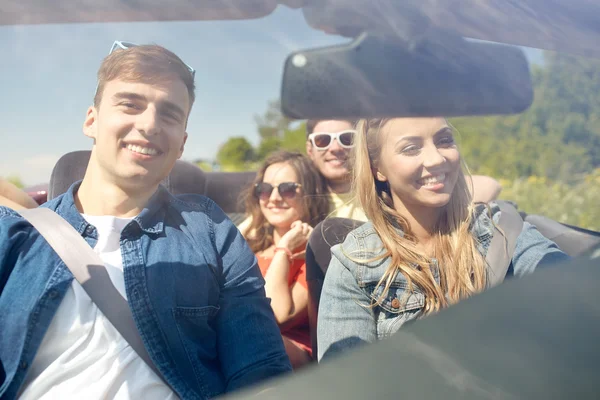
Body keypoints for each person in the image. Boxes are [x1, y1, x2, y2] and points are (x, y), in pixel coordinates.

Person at [0, 42, 291, 400]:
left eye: (169, 114)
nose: (150, 124)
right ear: (91, 119)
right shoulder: (16, 236)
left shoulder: (211, 231)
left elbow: (260, 373)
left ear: (181, 143)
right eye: (130, 104)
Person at [316, 117, 570, 361]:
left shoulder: (500, 229)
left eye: (444, 140)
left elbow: (565, 282)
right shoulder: (355, 264)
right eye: (411, 148)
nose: (436, 158)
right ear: (377, 168)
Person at [241, 151, 330, 369]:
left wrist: (283, 251)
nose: (273, 198)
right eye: (264, 189)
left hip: (287, 351)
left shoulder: (317, 251)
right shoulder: (251, 247)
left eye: (287, 189)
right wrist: (248, 224)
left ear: (308, 193)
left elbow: (277, 314)